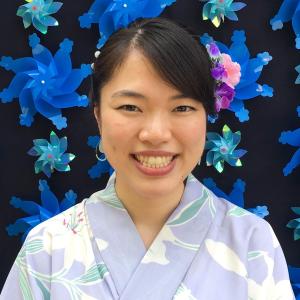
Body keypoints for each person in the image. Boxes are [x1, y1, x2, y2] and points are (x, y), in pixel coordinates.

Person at [0, 17, 295, 300]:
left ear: (206, 116)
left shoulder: (251, 242)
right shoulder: (48, 248)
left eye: (181, 108)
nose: (155, 133)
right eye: (130, 107)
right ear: (99, 116)